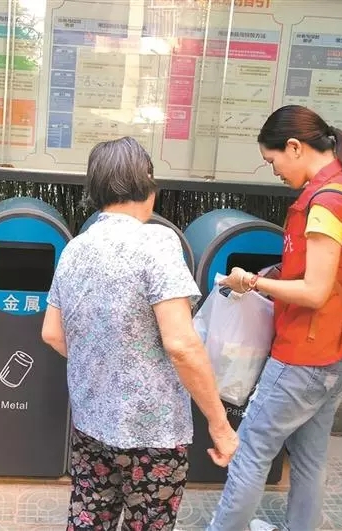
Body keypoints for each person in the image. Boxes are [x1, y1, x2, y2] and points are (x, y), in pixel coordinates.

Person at [207, 105, 342, 531]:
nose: (273, 171)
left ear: (294, 146)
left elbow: (314, 291)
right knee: (310, 453)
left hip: (306, 354)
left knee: (251, 449)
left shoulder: (325, 203)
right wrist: (275, 275)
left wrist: (253, 281)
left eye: (272, 160)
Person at [41, 136, 239, 531]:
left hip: (92, 423)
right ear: (147, 182)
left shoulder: (75, 249)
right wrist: (220, 425)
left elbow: (51, 333)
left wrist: (105, 364)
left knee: (88, 518)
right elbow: (181, 344)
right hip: (155, 432)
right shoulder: (158, 243)